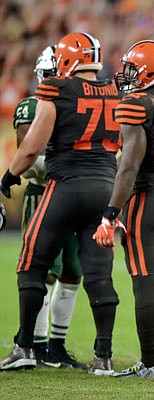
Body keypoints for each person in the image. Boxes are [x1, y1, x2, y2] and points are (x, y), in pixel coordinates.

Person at [0, 32, 120, 374]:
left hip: (66, 186)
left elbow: (30, 148)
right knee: (98, 274)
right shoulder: (115, 90)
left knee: (32, 264)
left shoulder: (57, 89)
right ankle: (104, 357)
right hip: (105, 188)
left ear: (67, 60)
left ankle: (25, 345)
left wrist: (8, 177)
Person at [92, 39, 154, 378]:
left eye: (134, 69)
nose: (127, 76)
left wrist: (110, 213)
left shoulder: (136, 104)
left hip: (149, 199)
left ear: (151, 70)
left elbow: (129, 167)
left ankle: (149, 362)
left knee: (143, 279)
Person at [10, 45, 86, 369]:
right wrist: (65, 164)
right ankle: (37, 344)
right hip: (43, 193)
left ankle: (56, 344)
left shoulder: (81, 106)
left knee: (73, 271)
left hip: (71, 195)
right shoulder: (31, 106)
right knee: (44, 271)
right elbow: (26, 160)